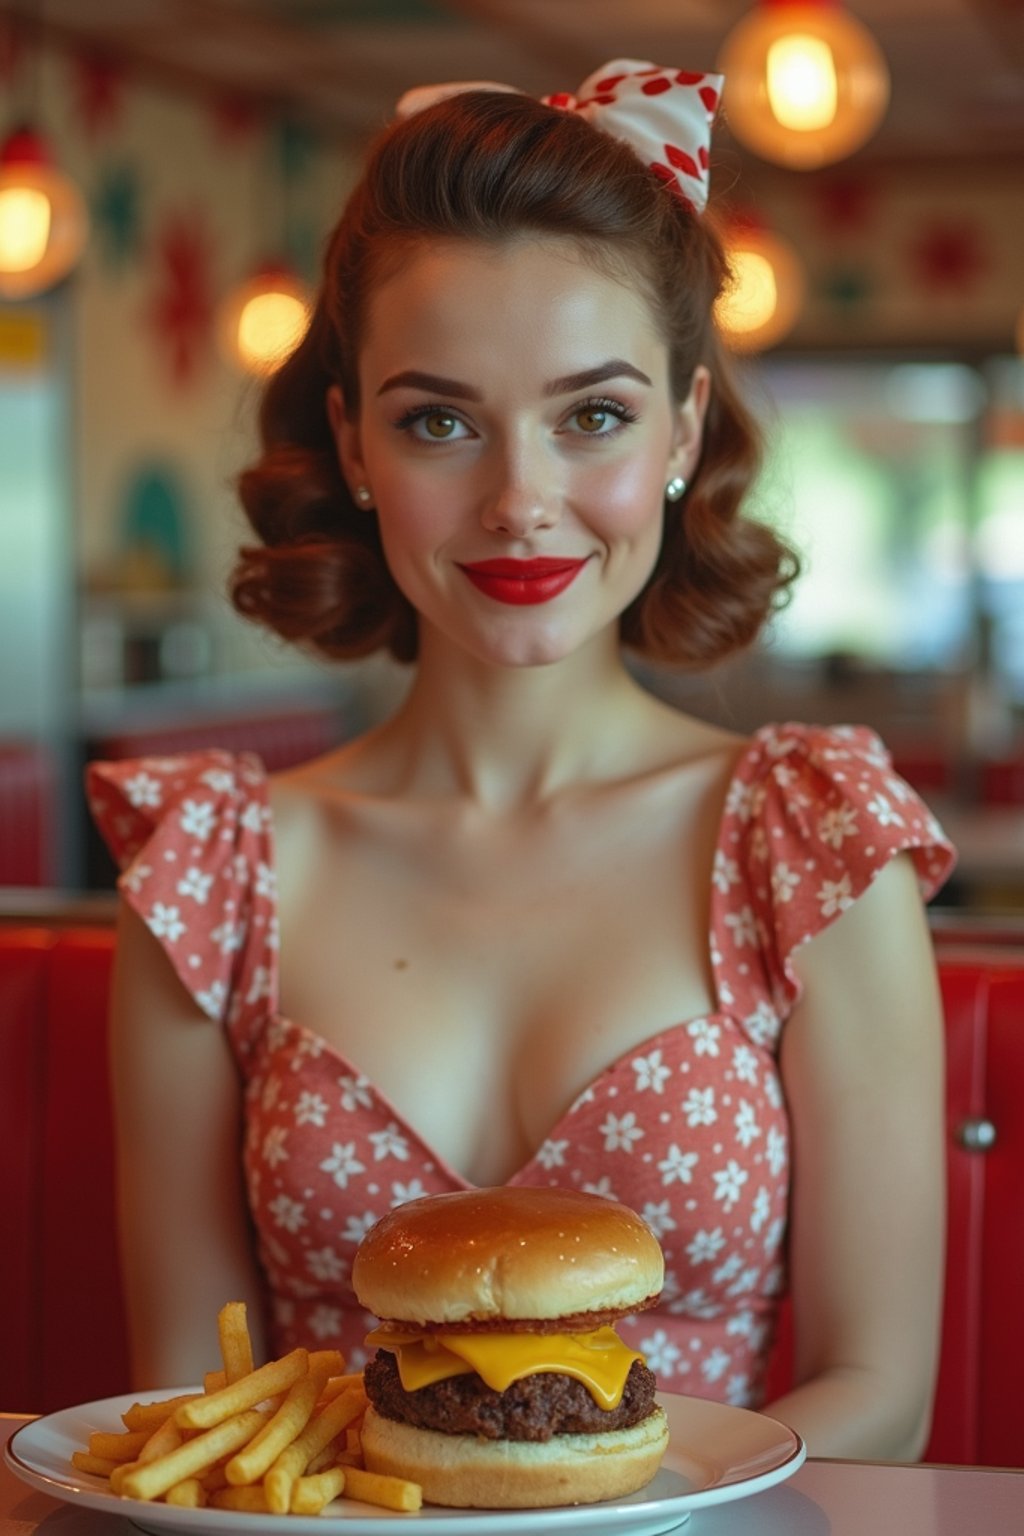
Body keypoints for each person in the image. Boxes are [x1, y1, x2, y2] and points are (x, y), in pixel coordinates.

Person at [88, 60, 955, 1461]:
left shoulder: (813, 845)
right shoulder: (210, 874)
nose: (519, 502)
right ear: (354, 445)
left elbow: (881, 1391)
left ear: (681, 428)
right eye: (439, 419)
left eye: (592, 415)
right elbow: (193, 1398)